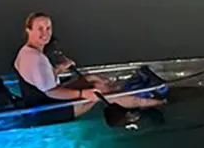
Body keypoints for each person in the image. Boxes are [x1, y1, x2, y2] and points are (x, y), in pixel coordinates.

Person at [13, 12, 163, 120]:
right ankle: (151, 103)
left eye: (48, 28)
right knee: (100, 92)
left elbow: (41, 79)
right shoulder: (35, 58)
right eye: (40, 28)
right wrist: (83, 94)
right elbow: (52, 92)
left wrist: (58, 69)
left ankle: (125, 92)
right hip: (51, 109)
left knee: (92, 79)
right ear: (29, 30)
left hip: (41, 100)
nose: (45, 33)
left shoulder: (26, 52)